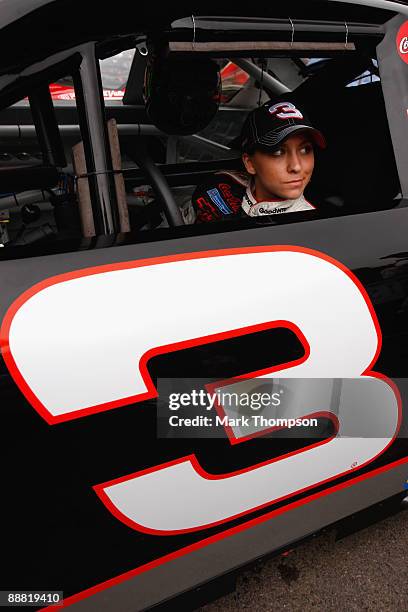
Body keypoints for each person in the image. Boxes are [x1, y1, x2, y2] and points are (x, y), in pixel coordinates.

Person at [192, 99, 326, 222]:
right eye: (278, 152)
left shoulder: (311, 228)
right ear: (249, 163)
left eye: (305, 150)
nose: (296, 167)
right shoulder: (219, 186)